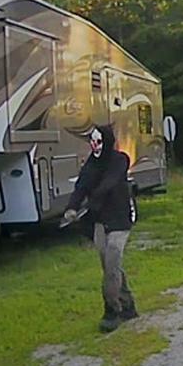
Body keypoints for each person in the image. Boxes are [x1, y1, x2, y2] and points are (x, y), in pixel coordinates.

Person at [64, 124, 138, 332]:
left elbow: (110, 182)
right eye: (91, 142)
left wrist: (93, 198)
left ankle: (111, 310)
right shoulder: (90, 165)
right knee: (109, 266)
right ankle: (128, 305)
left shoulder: (120, 159)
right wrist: (72, 207)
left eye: (98, 141)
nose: (95, 146)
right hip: (99, 221)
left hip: (120, 219)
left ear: (107, 141)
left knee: (113, 260)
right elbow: (81, 186)